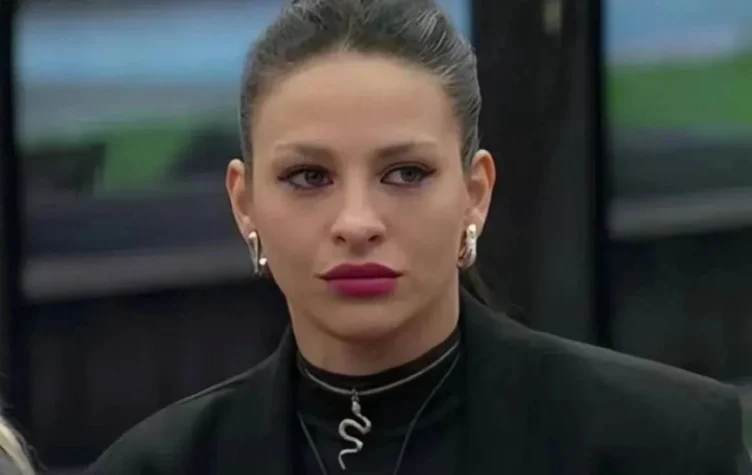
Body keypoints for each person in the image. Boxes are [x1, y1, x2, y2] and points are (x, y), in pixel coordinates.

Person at [87, 0, 752, 473]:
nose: (357, 222)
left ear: (475, 193)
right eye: (309, 176)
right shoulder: (155, 465)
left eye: (405, 173)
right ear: (244, 202)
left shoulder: (664, 445)